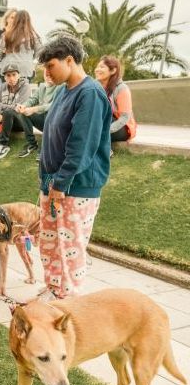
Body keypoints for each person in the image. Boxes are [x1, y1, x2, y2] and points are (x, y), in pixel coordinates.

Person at [37, 36, 111, 299]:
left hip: (75, 188)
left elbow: (81, 145)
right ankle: (55, 290)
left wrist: (61, 182)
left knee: (71, 248)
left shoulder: (90, 93)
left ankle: (69, 303)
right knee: (49, 244)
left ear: (70, 60)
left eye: (51, 66)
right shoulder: (63, 91)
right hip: (53, 184)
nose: (47, 72)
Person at [0, 63, 32, 160]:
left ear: (19, 75)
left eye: (14, 75)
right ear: (4, 77)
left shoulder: (25, 87)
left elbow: (17, 108)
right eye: (8, 75)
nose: (11, 78)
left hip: (20, 122)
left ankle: (3, 145)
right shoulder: (3, 87)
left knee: (8, 112)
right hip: (3, 118)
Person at [14, 72, 63, 159]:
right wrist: (23, 106)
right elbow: (33, 99)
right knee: (24, 113)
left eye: (51, 74)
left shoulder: (61, 86)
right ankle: (32, 143)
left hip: (56, 123)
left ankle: (45, 147)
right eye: (46, 75)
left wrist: (34, 109)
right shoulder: (42, 86)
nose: (49, 77)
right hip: (43, 121)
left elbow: (53, 105)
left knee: (49, 113)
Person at [94, 55, 137, 143]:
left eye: (102, 67)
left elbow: (125, 117)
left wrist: (105, 130)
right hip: (104, 122)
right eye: (97, 67)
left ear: (113, 70)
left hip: (122, 126)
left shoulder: (122, 89)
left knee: (94, 132)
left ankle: (106, 152)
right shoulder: (95, 87)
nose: (97, 69)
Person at [0, 9, 41, 83]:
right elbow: (39, 51)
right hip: (26, 69)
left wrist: (4, 58)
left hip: (8, 68)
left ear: (16, 20)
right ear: (29, 20)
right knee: (24, 92)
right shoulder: (33, 35)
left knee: (7, 93)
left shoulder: (7, 34)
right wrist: (29, 58)